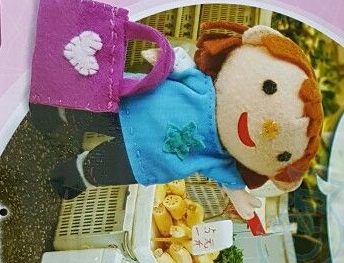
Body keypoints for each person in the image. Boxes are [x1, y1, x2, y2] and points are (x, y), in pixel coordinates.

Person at [32, 21, 324, 222]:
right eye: (269, 87)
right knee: (89, 113)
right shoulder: (204, 89)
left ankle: (73, 175)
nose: (267, 128)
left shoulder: (220, 157)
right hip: (133, 105)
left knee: (101, 167)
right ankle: (54, 113)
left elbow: (230, 180)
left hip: (143, 160)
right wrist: (166, 59)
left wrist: (239, 196)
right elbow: (184, 68)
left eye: (281, 154)